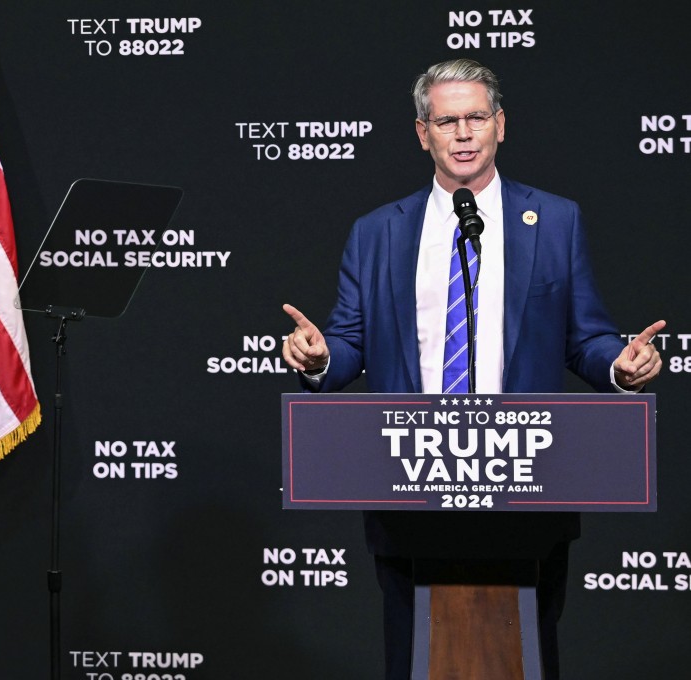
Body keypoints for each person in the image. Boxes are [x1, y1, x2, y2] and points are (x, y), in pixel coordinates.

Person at [281, 59, 663, 680]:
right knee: (413, 657)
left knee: (530, 653)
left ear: (501, 126)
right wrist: (320, 357)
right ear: (422, 133)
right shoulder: (377, 232)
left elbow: (586, 338)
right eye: (447, 120)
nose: (463, 133)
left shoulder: (556, 221)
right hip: (409, 483)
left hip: (529, 483)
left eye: (476, 118)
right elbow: (348, 343)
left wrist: (621, 366)